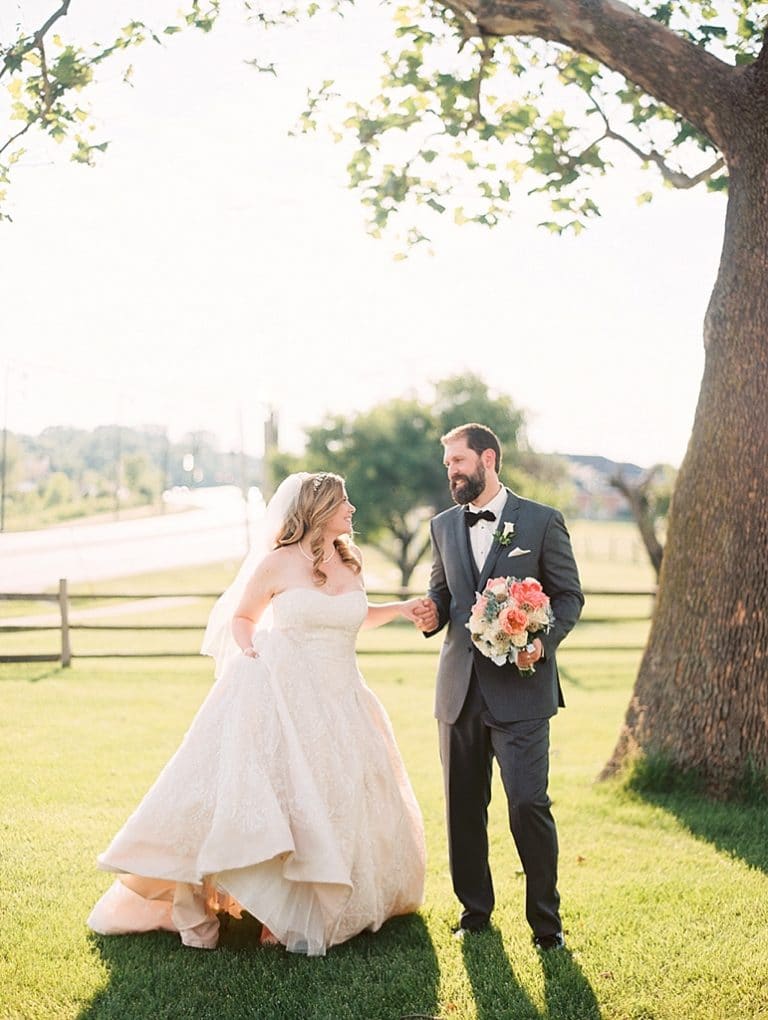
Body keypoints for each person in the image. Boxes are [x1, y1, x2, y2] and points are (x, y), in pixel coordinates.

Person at [88, 472, 426, 955]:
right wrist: (251, 653)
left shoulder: (349, 561)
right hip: (285, 690)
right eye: (343, 502)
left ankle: (304, 905)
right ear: (319, 509)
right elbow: (243, 618)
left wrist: (401, 608)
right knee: (284, 797)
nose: (352, 509)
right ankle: (267, 909)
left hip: (344, 698)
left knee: (338, 796)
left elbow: (352, 615)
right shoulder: (277, 563)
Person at [412, 423, 583, 950]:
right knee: (463, 807)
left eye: (458, 461)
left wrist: (541, 643)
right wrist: (429, 612)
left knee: (528, 804)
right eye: (447, 465)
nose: (451, 472)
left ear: (488, 458)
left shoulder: (541, 521)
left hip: (523, 691)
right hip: (458, 691)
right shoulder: (442, 525)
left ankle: (546, 923)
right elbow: (443, 595)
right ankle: (475, 911)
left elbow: (568, 597)